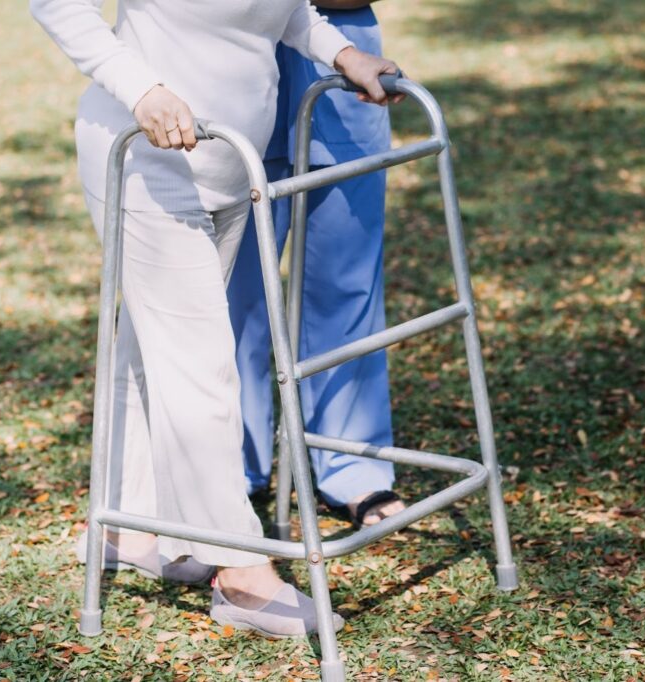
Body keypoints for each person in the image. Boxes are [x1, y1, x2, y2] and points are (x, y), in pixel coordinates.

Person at [30, 0, 401, 637]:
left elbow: (290, 11)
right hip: (146, 161)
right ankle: (240, 573)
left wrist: (346, 55)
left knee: (149, 349)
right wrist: (141, 89)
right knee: (199, 364)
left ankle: (127, 525)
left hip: (229, 166)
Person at [227, 0, 406, 528]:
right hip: (238, 56)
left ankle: (351, 463)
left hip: (343, 69)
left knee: (346, 283)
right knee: (234, 295)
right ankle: (229, 464)